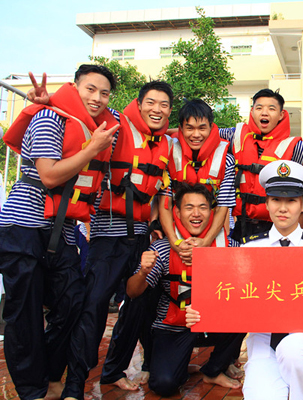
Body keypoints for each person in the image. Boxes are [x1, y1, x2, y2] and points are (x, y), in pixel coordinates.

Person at [186, 160, 303, 400]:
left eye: (291, 201)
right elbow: (230, 297)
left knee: (294, 351)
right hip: (264, 341)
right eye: (276, 200)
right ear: (267, 203)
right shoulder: (250, 249)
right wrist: (202, 312)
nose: (283, 208)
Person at [0, 65, 119, 400]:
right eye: (90, 89)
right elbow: (50, 176)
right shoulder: (49, 117)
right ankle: (32, 390)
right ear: (74, 87)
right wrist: (91, 149)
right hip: (24, 226)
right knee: (24, 312)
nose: (97, 98)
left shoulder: (98, 127)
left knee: (73, 302)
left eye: (104, 93)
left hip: (62, 231)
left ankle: (51, 376)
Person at [63, 81, 173, 398]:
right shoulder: (115, 125)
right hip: (107, 235)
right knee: (94, 305)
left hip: (140, 237)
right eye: (150, 102)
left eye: (164, 105)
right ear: (138, 105)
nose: (156, 109)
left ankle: (113, 371)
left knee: (137, 307)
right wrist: (47, 100)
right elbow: (86, 108)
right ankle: (74, 384)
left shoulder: (168, 143)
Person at [127, 183, 245, 396]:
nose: (196, 213)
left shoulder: (230, 248)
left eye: (203, 207)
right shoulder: (162, 248)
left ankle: (213, 370)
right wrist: (143, 272)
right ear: (178, 212)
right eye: (189, 207)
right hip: (174, 324)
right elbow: (132, 292)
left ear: (212, 212)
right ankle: (179, 366)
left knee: (246, 312)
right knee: (164, 385)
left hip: (213, 324)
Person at [218, 89, 303, 242]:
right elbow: (204, 134)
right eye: (259, 108)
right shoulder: (235, 136)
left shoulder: (294, 147)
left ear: (281, 115)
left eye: (271, 109)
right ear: (252, 112)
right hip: (240, 226)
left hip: (275, 229)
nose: (264, 113)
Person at [159, 98, 235, 266]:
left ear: (211, 127)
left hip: (211, 229)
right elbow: (165, 203)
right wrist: (174, 242)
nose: (196, 135)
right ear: (180, 129)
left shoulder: (227, 160)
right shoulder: (168, 154)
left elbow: (223, 206)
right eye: (189, 128)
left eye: (202, 128)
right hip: (176, 228)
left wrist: (206, 242)